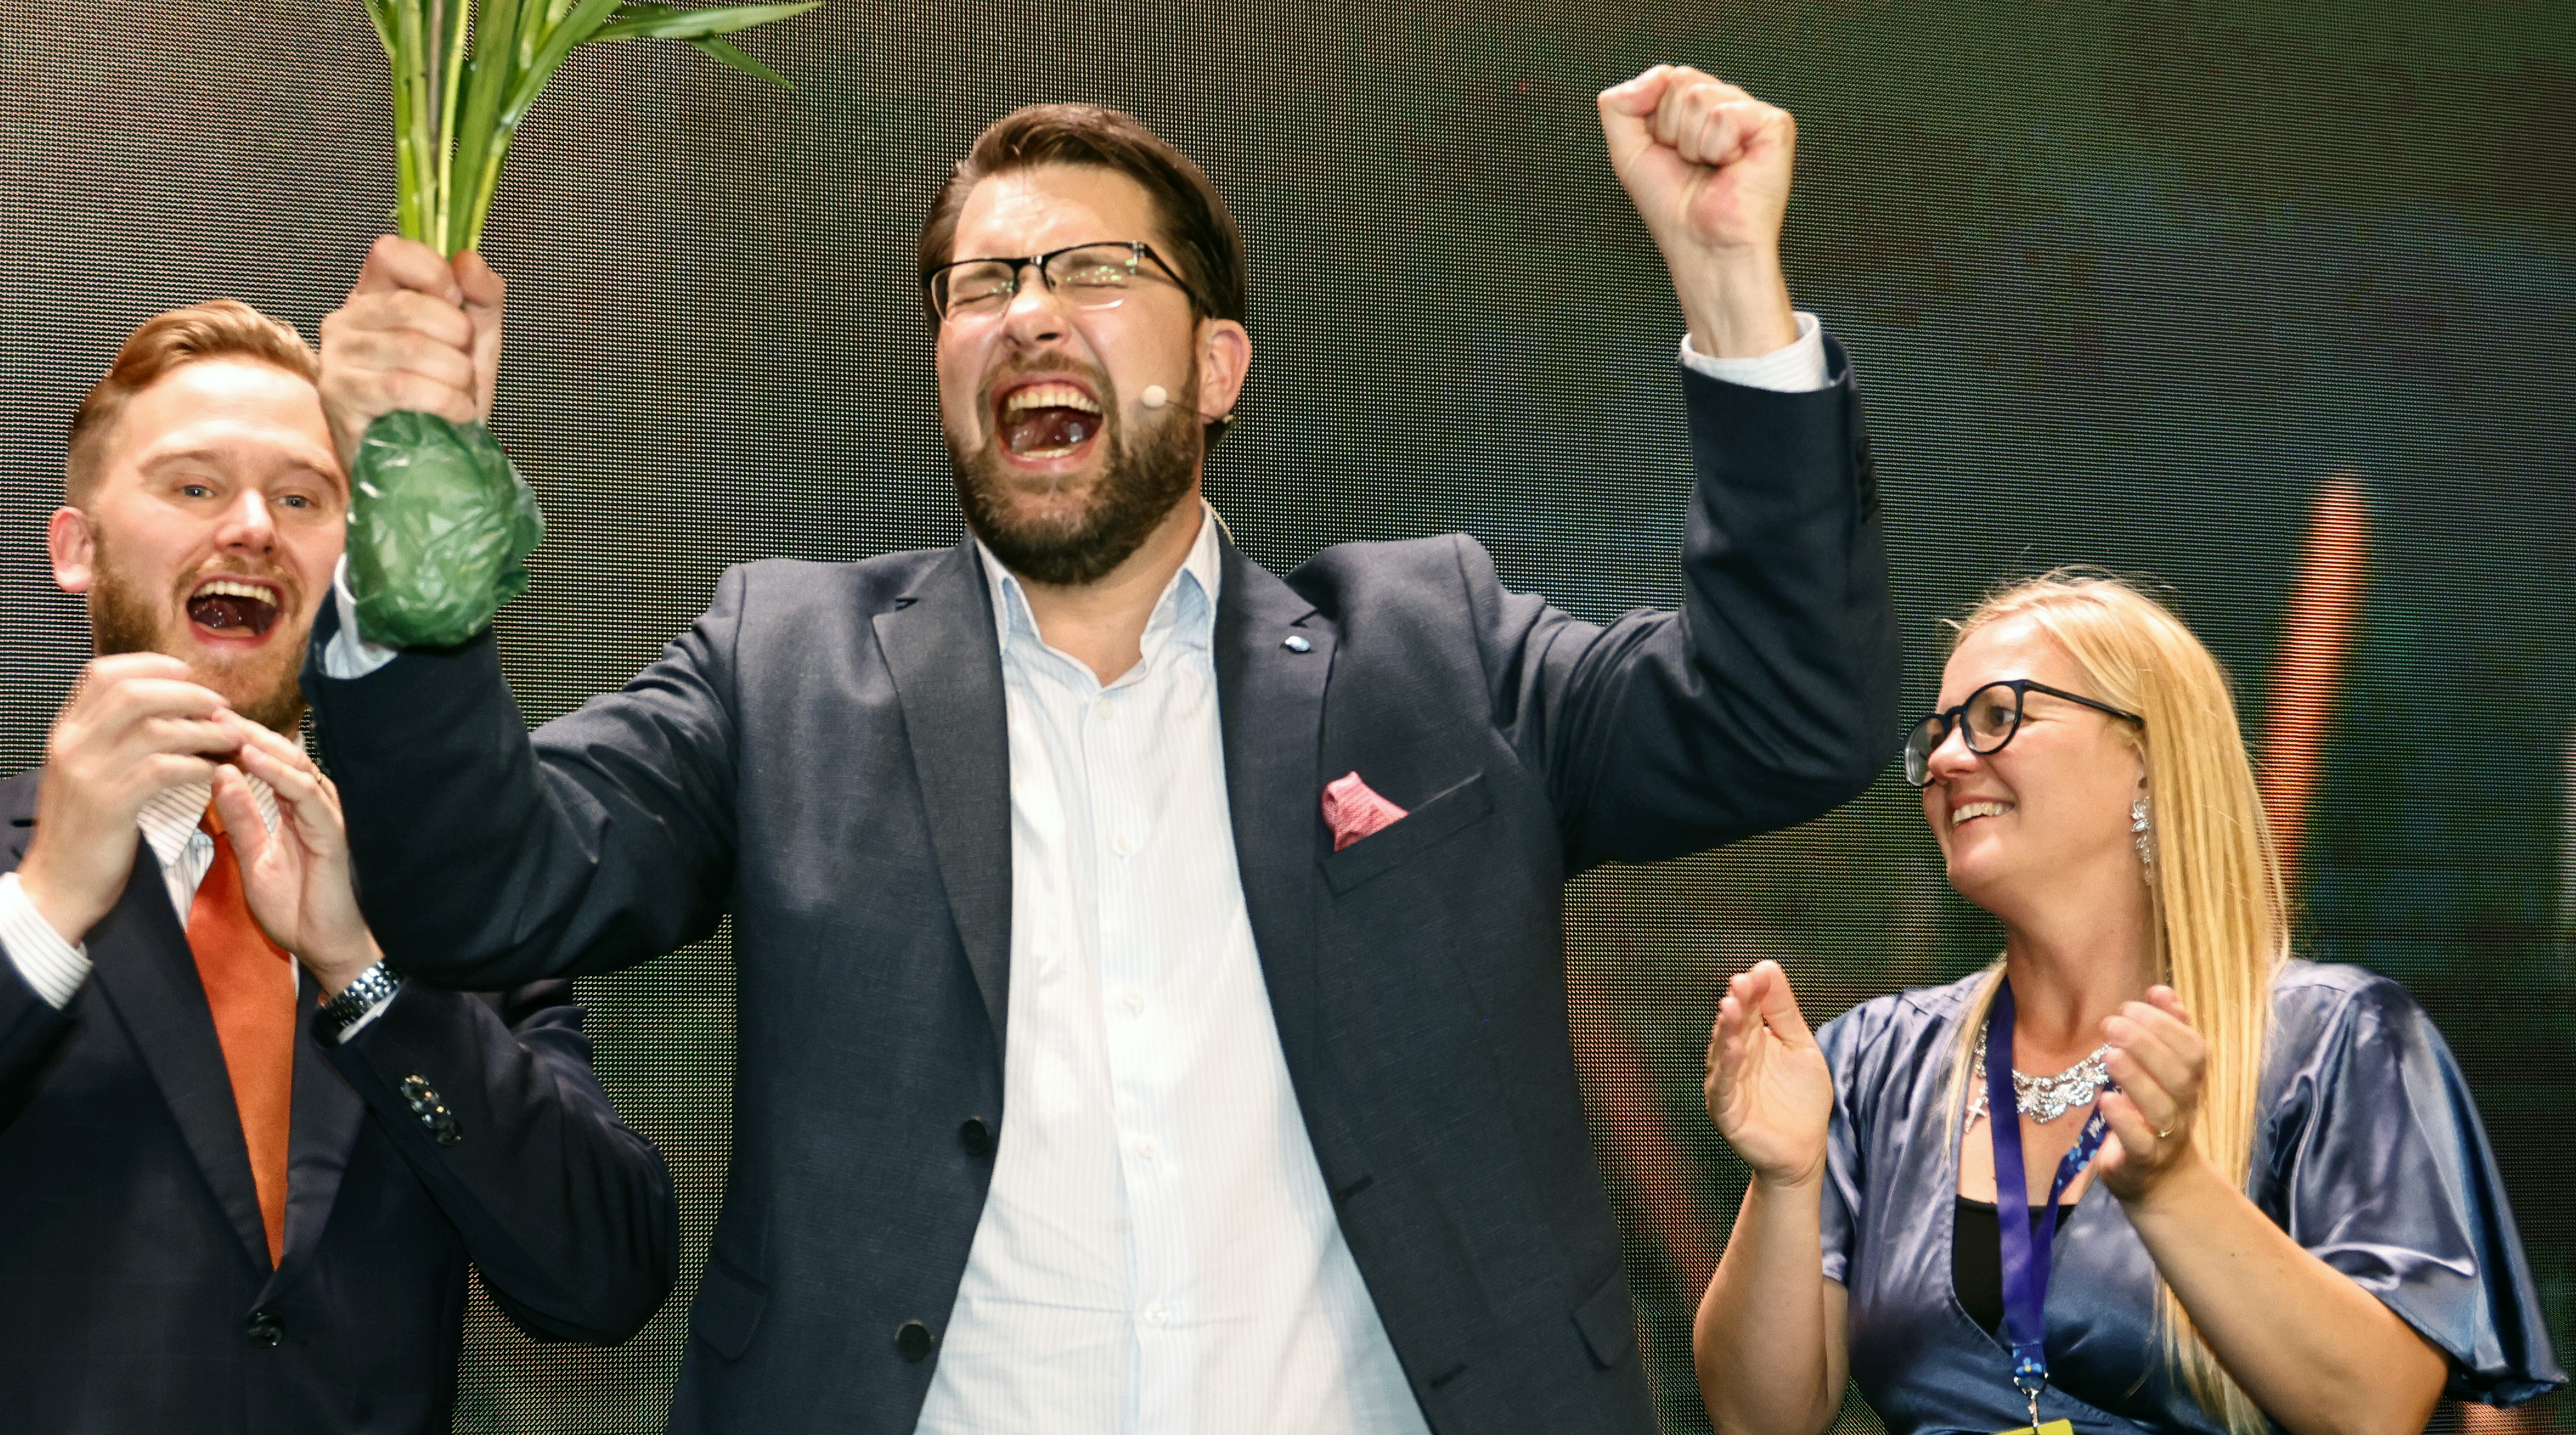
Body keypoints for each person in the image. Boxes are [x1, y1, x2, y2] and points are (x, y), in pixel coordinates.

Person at [299, 69, 1905, 1435]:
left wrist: (1733, 298)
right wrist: (405, 534)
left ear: (1217, 367)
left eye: (1091, 270)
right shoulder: (781, 668)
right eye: (980, 286)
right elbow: (479, 890)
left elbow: (1786, 718)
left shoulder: (1438, 649)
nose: (1027, 314)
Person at [0, 300, 678, 1434]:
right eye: (194, 487)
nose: (252, 527)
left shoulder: (454, 897)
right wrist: (41, 916)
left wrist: (361, 969)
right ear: (76, 549)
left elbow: (604, 1284)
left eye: (303, 497)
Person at [1694, 571, 2563, 1435]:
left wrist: (2171, 1187)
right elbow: (1757, 1421)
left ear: (2145, 758)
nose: (1950, 759)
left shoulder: (2330, 1037)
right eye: (1941, 735)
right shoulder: (1876, 1058)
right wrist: (1787, 1178)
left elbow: (2377, 1411)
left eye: (1999, 718)